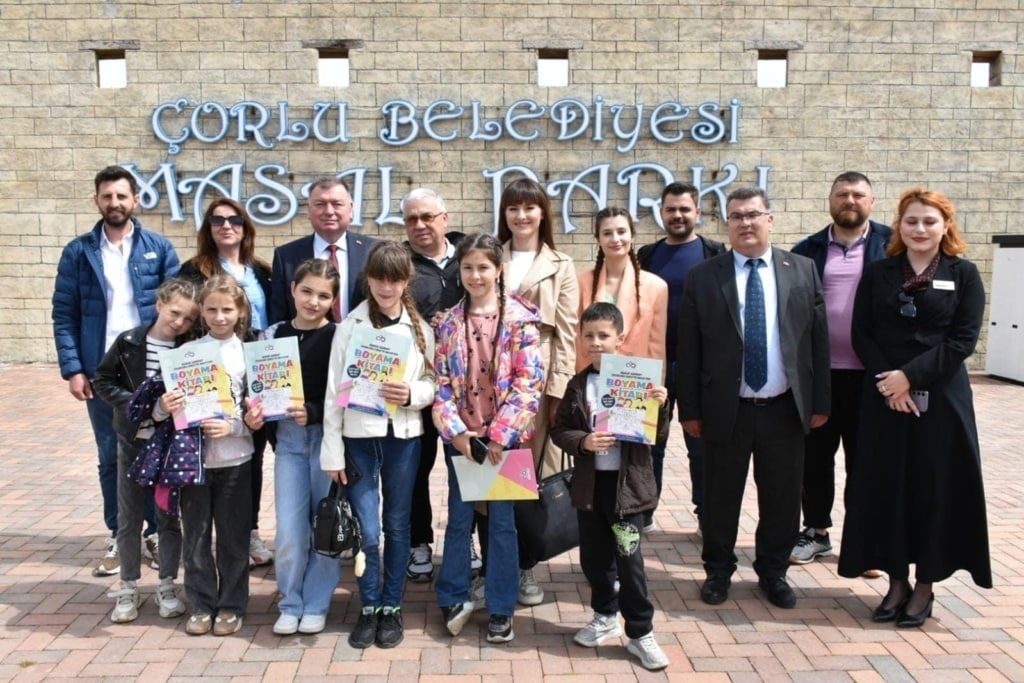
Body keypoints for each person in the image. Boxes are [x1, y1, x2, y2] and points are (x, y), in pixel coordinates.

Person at [838, 188, 991, 628]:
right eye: (911, 221)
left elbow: (962, 340)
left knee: (934, 489)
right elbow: (862, 333)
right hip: (885, 396)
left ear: (945, 226)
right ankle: (897, 582)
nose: (919, 229)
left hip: (942, 401)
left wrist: (911, 376)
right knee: (888, 489)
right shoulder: (879, 272)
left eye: (929, 221)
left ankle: (925, 585)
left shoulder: (964, 274)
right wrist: (891, 383)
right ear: (899, 226)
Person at [678, 186, 830, 610]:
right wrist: (690, 409)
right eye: (737, 216)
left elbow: (818, 343)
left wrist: (820, 402)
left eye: (753, 214)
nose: (745, 223)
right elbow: (689, 349)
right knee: (719, 499)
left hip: (784, 409)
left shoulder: (801, 270)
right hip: (726, 410)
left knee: (782, 498)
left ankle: (773, 572)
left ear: (770, 219)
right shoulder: (704, 276)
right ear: (727, 224)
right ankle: (718, 571)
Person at [52, 165, 180, 577]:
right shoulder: (78, 252)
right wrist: (74, 368)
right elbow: (64, 314)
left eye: (121, 195)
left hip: (152, 368)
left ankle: (155, 533)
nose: (114, 203)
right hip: (103, 372)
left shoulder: (158, 247)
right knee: (111, 455)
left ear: (135, 200)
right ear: (97, 200)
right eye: (107, 196)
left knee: (156, 451)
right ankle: (119, 533)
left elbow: (178, 307)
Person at [433, 232, 545, 644]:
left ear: (498, 269)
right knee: (459, 522)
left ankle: (501, 606)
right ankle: (453, 596)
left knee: (501, 525)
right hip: (463, 441)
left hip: (505, 444)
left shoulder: (521, 320)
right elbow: (440, 383)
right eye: (467, 268)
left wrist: (500, 436)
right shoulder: (448, 323)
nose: (475, 275)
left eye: (483, 267)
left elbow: (529, 382)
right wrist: (457, 433)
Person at [323, 241, 436, 649]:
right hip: (358, 439)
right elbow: (333, 392)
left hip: (403, 439)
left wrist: (412, 394)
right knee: (368, 529)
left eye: (394, 279)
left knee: (397, 525)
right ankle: (369, 605)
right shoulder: (349, 327)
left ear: (406, 281)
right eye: (378, 278)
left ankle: (392, 606)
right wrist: (332, 451)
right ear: (367, 279)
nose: (386, 287)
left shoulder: (420, 329)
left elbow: (433, 383)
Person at [551, 302, 670, 671]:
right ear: (580, 339)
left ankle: (640, 632)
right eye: (589, 335)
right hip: (590, 489)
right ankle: (604, 616)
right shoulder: (577, 384)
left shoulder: (640, 381)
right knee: (595, 559)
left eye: (604, 335)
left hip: (626, 491)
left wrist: (661, 407)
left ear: (621, 338)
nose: (596, 342)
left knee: (629, 561)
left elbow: (657, 436)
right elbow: (560, 430)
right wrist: (584, 442)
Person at [788, 173, 892, 568]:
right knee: (814, 460)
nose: (850, 200)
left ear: (872, 201)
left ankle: (864, 541)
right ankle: (816, 532)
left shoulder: (893, 246)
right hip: (820, 375)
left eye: (858, 195)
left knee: (866, 461)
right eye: (842, 194)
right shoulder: (807, 250)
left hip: (873, 376)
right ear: (830, 199)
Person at [93, 278, 198, 623]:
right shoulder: (129, 342)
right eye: (175, 313)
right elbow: (103, 380)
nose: (179, 322)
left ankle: (167, 583)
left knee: (168, 516)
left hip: (170, 447)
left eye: (188, 318)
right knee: (129, 518)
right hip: (133, 443)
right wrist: (140, 403)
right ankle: (128, 585)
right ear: (159, 304)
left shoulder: (189, 348)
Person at [245, 259, 341, 637]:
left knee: (325, 526)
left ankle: (316, 603)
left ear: (333, 300)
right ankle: (290, 602)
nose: (313, 301)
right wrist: (254, 415)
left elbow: (346, 394)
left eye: (323, 295)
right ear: (292, 290)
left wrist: (313, 411)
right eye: (307, 291)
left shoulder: (339, 336)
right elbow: (256, 390)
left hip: (327, 443)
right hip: (288, 444)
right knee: (289, 531)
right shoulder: (271, 336)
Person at [179, 198, 274, 568]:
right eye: (217, 220)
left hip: (259, 367)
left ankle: (247, 531)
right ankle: (205, 538)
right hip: (214, 366)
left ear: (245, 226)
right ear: (208, 228)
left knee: (253, 451)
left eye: (234, 219)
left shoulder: (261, 270)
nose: (226, 226)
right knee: (211, 450)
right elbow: (183, 319)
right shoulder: (193, 270)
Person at [496, 176, 578, 606]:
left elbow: (567, 331)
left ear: (543, 212)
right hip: (491, 375)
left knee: (527, 473)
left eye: (529, 207)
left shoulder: (560, 264)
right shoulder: (490, 255)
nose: (521, 215)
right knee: (493, 468)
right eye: (513, 208)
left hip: (537, 376)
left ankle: (525, 564)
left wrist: (559, 388)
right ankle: (493, 561)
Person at [637, 182, 726, 533]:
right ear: (661, 213)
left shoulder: (714, 253)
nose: (678, 215)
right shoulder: (647, 255)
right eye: (671, 209)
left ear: (697, 213)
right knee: (649, 444)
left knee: (700, 444)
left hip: (698, 367)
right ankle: (644, 510)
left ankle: (705, 513)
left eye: (684, 209)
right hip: (652, 366)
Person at [177, 275, 255, 636]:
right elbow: (177, 410)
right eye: (211, 309)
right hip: (195, 461)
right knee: (195, 537)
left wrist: (234, 427)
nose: (220, 317)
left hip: (237, 459)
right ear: (201, 311)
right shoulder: (187, 353)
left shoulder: (250, 353)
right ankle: (201, 603)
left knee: (233, 537)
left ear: (240, 311)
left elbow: (258, 413)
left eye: (227, 309)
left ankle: (231, 604)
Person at [399, 188, 467, 583]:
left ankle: (465, 541)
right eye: (412, 219)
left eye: (427, 217)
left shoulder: (470, 256)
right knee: (416, 468)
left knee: (466, 464)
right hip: (418, 387)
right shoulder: (400, 264)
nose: (420, 225)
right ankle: (418, 542)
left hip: (466, 389)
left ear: (445, 218)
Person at [270, 176, 376, 324]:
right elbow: (278, 317)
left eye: (337, 204)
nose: (329, 211)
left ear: (351, 209)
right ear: (309, 210)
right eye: (320, 204)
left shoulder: (373, 251)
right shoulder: (285, 256)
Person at [575, 207, 668, 376]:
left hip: (634, 379)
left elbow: (656, 346)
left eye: (621, 232)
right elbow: (574, 337)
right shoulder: (580, 283)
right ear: (598, 240)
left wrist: (657, 383)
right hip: (589, 378)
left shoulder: (656, 286)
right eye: (607, 233)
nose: (615, 239)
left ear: (632, 236)